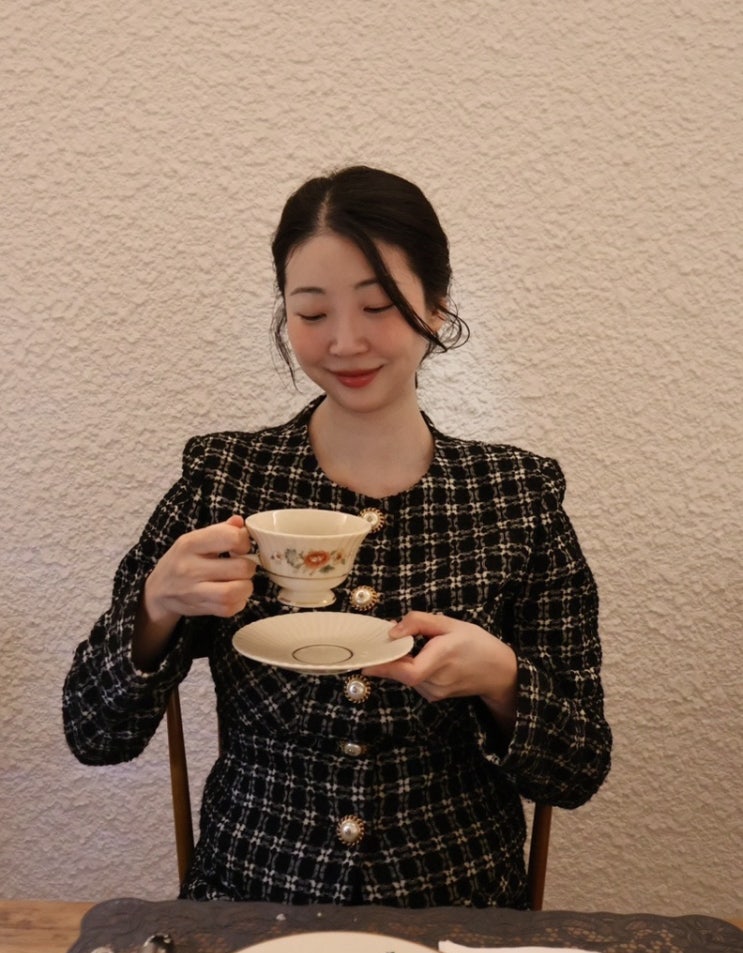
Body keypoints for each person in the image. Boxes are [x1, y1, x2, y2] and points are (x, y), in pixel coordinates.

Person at [63, 165, 611, 908]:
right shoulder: (222, 480)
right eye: (312, 312)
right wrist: (154, 611)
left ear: (437, 305)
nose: (345, 341)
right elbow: (94, 734)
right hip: (252, 902)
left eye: (378, 305)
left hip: (458, 909)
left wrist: (502, 682)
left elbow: (578, 771)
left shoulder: (516, 496)